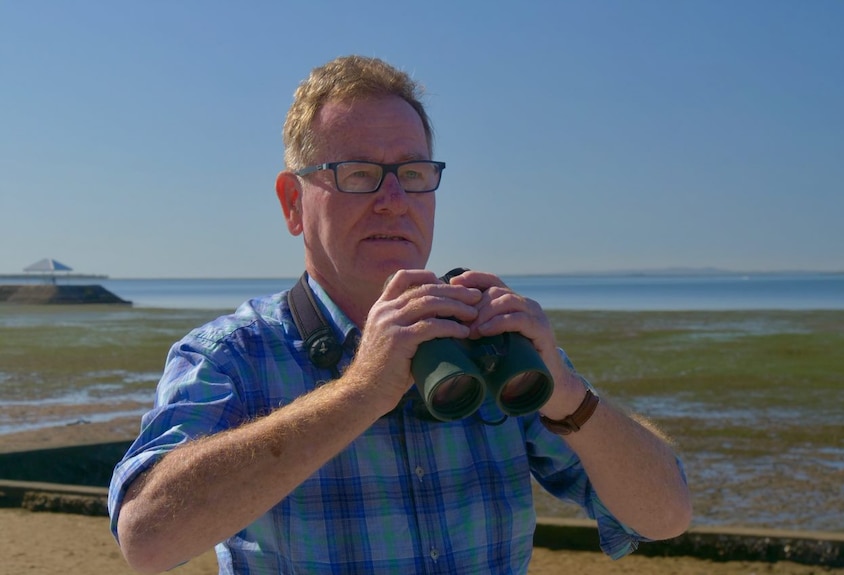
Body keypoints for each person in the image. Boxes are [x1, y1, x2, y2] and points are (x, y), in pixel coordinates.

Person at [109, 55, 691, 574]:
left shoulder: (487, 338)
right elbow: (147, 540)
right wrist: (361, 390)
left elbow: (664, 516)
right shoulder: (234, 354)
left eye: (413, 174)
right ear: (294, 204)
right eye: (358, 175)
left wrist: (566, 393)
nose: (394, 200)